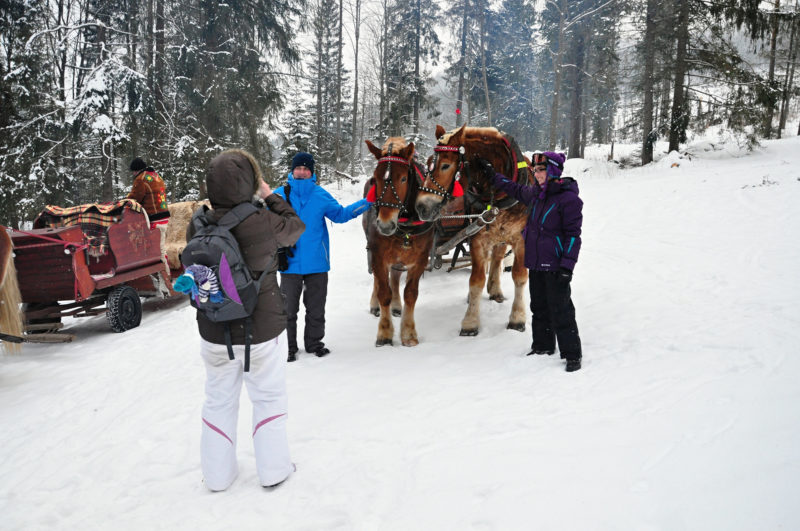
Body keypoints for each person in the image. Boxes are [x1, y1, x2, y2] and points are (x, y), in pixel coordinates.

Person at [187, 149, 305, 491]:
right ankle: (274, 471)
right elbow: (296, 227)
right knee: (267, 398)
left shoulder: (199, 222)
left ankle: (218, 476)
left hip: (213, 330)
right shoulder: (264, 221)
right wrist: (270, 195)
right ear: (250, 182)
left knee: (218, 401)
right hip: (262, 330)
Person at [479, 151, 583, 372]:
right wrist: (493, 175)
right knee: (538, 307)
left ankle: (572, 353)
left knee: (561, 309)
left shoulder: (569, 199)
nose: (536, 174)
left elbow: (574, 236)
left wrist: (567, 266)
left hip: (556, 266)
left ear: (553, 170)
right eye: (534, 170)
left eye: (541, 170)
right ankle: (542, 346)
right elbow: (514, 188)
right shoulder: (535, 194)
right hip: (535, 263)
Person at [274, 152, 372, 362]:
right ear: (292, 171)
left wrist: (367, 202)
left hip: (317, 264)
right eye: (298, 168)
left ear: (311, 172)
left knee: (316, 308)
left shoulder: (320, 195)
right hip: (289, 264)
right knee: (287, 310)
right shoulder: (279, 196)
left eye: (305, 169)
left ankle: (314, 343)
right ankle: (288, 348)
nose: (301, 172)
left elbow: (341, 214)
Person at [127, 157, 170, 223]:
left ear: (136, 170)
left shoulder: (140, 179)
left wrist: (125, 200)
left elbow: (135, 198)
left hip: (153, 216)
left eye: (133, 171)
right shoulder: (156, 175)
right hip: (165, 214)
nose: (133, 174)